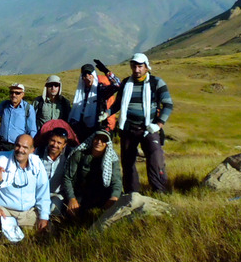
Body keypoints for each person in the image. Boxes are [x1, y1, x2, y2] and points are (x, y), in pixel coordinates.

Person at [106, 53, 173, 193]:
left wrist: (159, 125)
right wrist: (106, 113)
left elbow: (168, 104)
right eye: (134, 66)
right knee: (127, 162)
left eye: (140, 66)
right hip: (128, 128)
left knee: (155, 158)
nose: (136, 70)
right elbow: (118, 104)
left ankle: (160, 191)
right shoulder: (125, 83)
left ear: (147, 67)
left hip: (150, 128)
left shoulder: (156, 83)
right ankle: (132, 194)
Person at [0, 134, 51, 235]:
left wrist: (44, 217)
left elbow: (43, 192)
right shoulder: (0, 161)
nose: (20, 150)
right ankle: (5, 234)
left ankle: (9, 234)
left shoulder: (37, 164)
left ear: (32, 150)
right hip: (5, 211)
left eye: (25, 147)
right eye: (18, 145)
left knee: (46, 229)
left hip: (28, 213)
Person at [63, 130, 122, 216]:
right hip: (80, 194)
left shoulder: (112, 159)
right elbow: (67, 178)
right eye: (97, 139)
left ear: (107, 144)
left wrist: (114, 197)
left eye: (103, 140)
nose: (99, 142)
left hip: (101, 194)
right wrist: (71, 198)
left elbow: (116, 181)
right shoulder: (79, 155)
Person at [68, 60, 121, 141]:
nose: (87, 77)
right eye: (85, 75)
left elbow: (117, 85)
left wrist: (106, 71)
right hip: (81, 129)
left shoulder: (101, 90)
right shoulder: (80, 93)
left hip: (98, 127)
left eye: (90, 74)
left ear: (93, 75)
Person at [0, 83, 37, 152]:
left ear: (23, 94)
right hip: (3, 145)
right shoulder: (5, 104)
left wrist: (30, 147)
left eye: (17, 93)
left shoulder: (28, 108)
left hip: (18, 147)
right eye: (11, 92)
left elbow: (32, 130)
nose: (13, 95)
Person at [34, 128, 71, 215]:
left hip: (56, 193)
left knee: (54, 210)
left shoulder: (68, 156)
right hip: (37, 192)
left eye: (59, 143)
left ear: (64, 145)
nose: (55, 145)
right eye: (52, 141)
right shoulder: (38, 153)